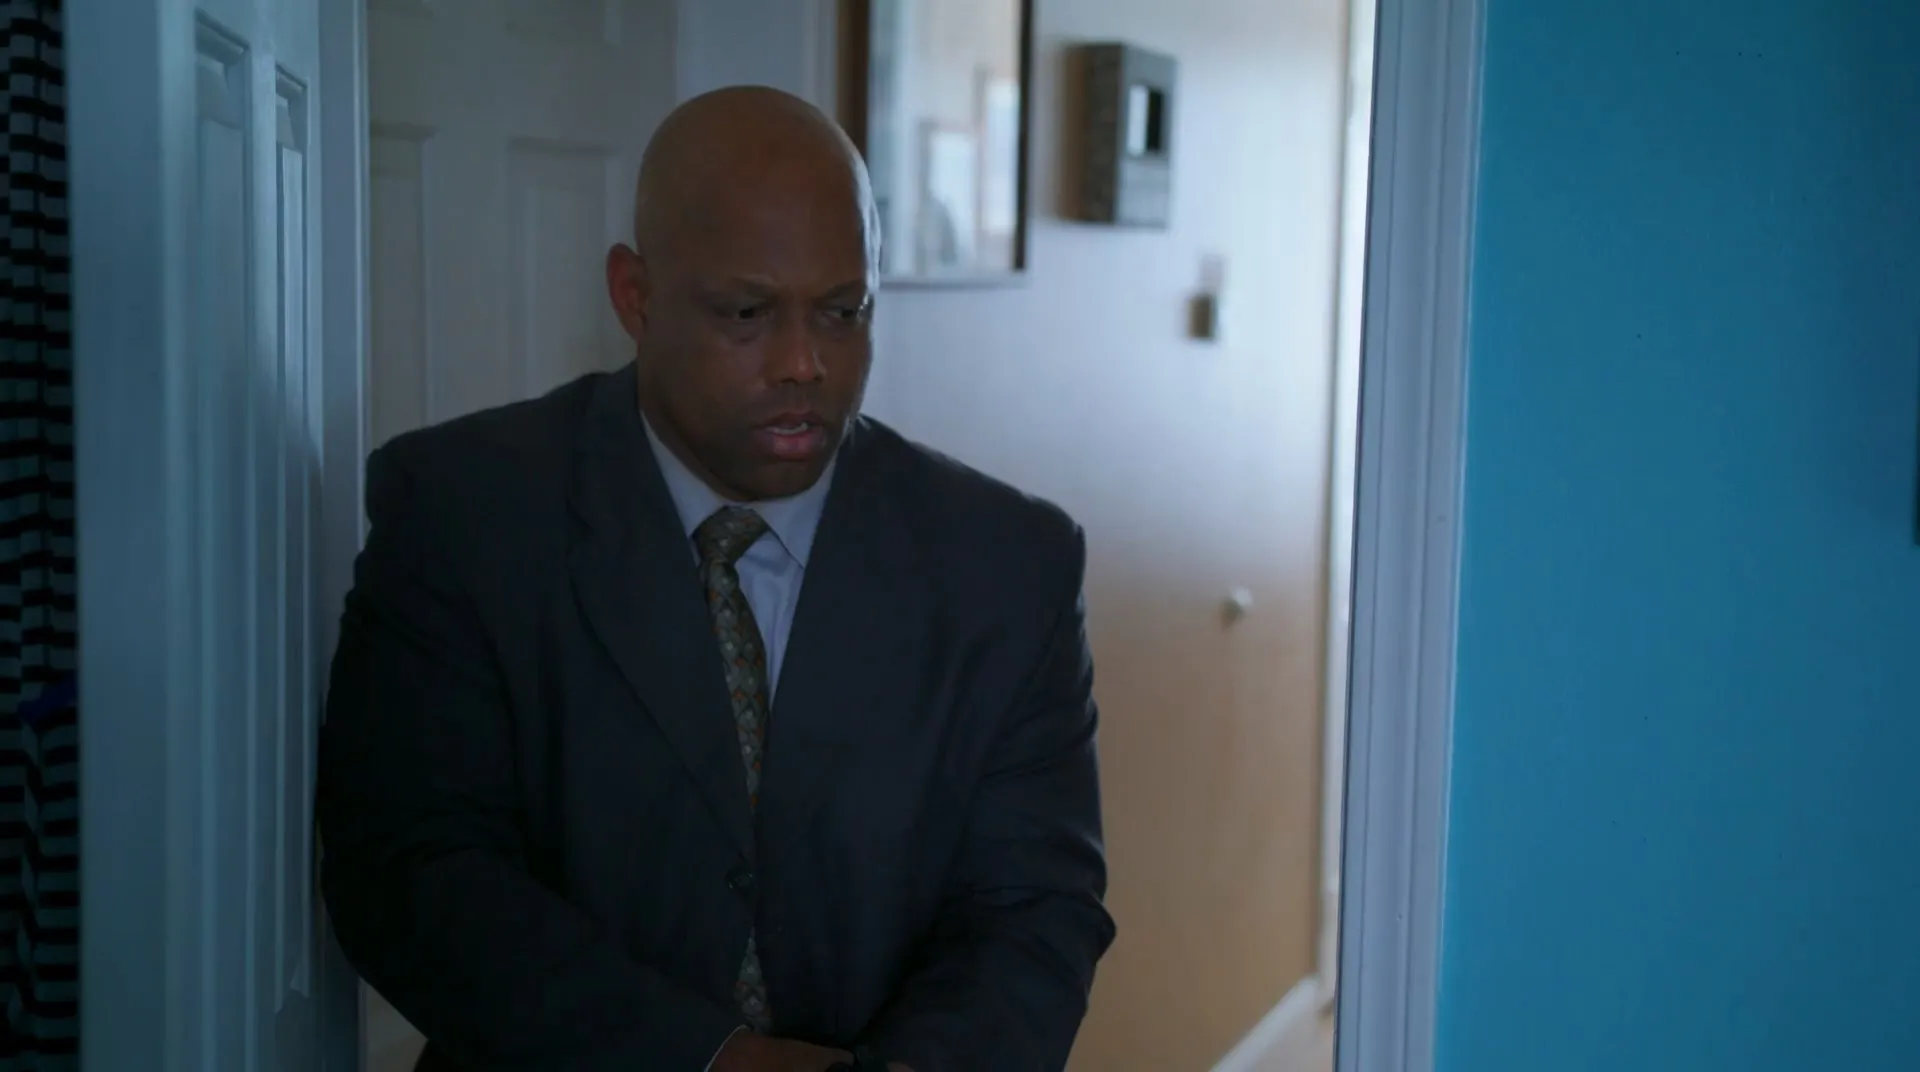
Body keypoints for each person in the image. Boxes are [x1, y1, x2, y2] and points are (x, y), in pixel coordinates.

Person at [315, 85, 1115, 1072]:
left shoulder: (1010, 566)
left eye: (843, 312)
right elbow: (409, 871)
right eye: (747, 312)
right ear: (635, 296)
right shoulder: (464, 513)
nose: (804, 363)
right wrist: (715, 1062)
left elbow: (1033, 905)